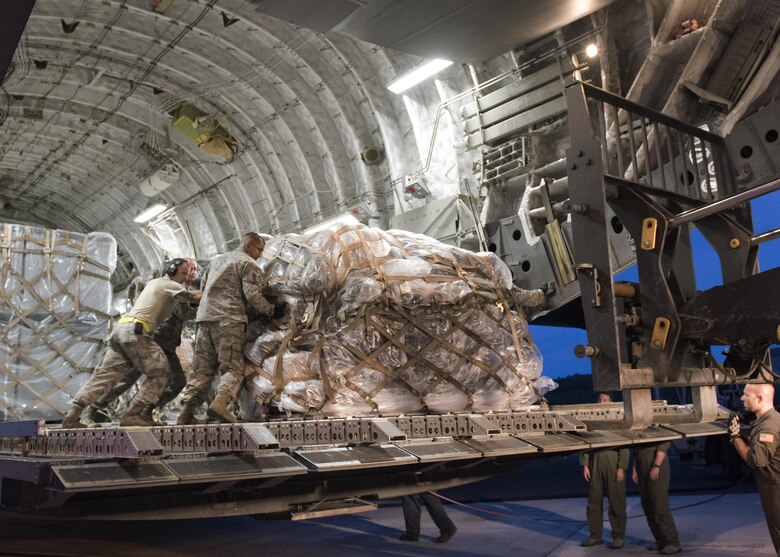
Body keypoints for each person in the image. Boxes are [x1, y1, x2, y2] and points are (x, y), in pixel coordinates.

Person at [62, 258, 201, 427]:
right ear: (171, 270)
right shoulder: (169, 284)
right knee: (161, 374)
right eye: (185, 273)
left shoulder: (159, 284)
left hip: (122, 330)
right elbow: (193, 297)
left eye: (192, 271)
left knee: (105, 376)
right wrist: (217, 288)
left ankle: (73, 415)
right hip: (138, 334)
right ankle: (132, 415)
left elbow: (186, 310)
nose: (188, 275)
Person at [178, 233, 275, 425]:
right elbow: (253, 296)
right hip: (228, 321)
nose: (260, 255)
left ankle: (186, 413)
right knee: (232, 368)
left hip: (204, 320)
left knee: (202, 370)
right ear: (248, 245)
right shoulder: (248, 263)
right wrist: (272, 310)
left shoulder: (216, 261)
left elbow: (204, 291)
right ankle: (220, 404)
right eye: (259, 249)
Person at [729, 383, 780, 554]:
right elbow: (758, 441)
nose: (742, 398)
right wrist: (743, 431)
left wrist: (735, 437)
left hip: (775, 487)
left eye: (746, 395)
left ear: (759, 398)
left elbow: (756, 459)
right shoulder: (768, 420)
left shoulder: (768, 426)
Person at [580, 393, 629, 549]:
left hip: (613, 462)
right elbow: (585, 441)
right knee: (593, 502)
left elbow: (625, 445)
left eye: (605, 400)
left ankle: (618, 537)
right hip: (595, 464)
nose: (601, 402)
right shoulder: (592, 420)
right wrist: (585, 464)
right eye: (600, 400)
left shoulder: (618, 420)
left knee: (617, 502)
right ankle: (595, 536)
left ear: (611, 402)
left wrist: (622, 467)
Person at [632, 442, 681, 555]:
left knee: (659, 505)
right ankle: (661, 539)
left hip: (655, 465)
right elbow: (636, 447)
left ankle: (673, 542)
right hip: (642, 465)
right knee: (647, 505)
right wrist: (635, 467)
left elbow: (663, 444)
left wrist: (656, 465)